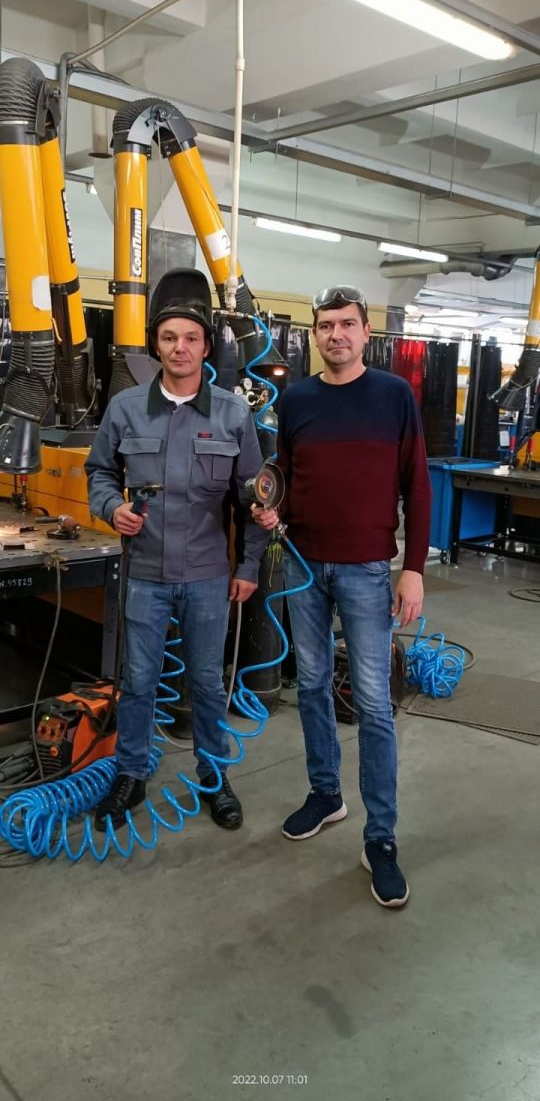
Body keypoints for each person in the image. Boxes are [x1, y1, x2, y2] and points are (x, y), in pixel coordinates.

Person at [252, 285, 431, 907]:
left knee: (375, 704)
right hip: (304, 565)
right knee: (311, 688)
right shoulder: (297, 400)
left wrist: (413, 568)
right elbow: (284, 475)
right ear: (314, 334)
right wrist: (272, 509)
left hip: (366, 571)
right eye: (326, 326)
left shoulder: (394, 396)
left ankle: (380, 837)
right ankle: (326, 793)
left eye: (347, 325)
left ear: (365, 333)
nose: (336, 335)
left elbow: (417, 485)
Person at [86, 269, 267, 832]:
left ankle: (214, 776)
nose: (180, 348)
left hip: (209, 576)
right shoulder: (125, 409)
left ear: (207, 346)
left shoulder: (233, 414)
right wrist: (110, 506)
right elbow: (98, 472)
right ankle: (131, 775)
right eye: (169, 338)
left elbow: (253, 499)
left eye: (191, 338)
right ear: (156, 344)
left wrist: (250, 566)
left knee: (208, 683)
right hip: (144, 572)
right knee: (139, 681)